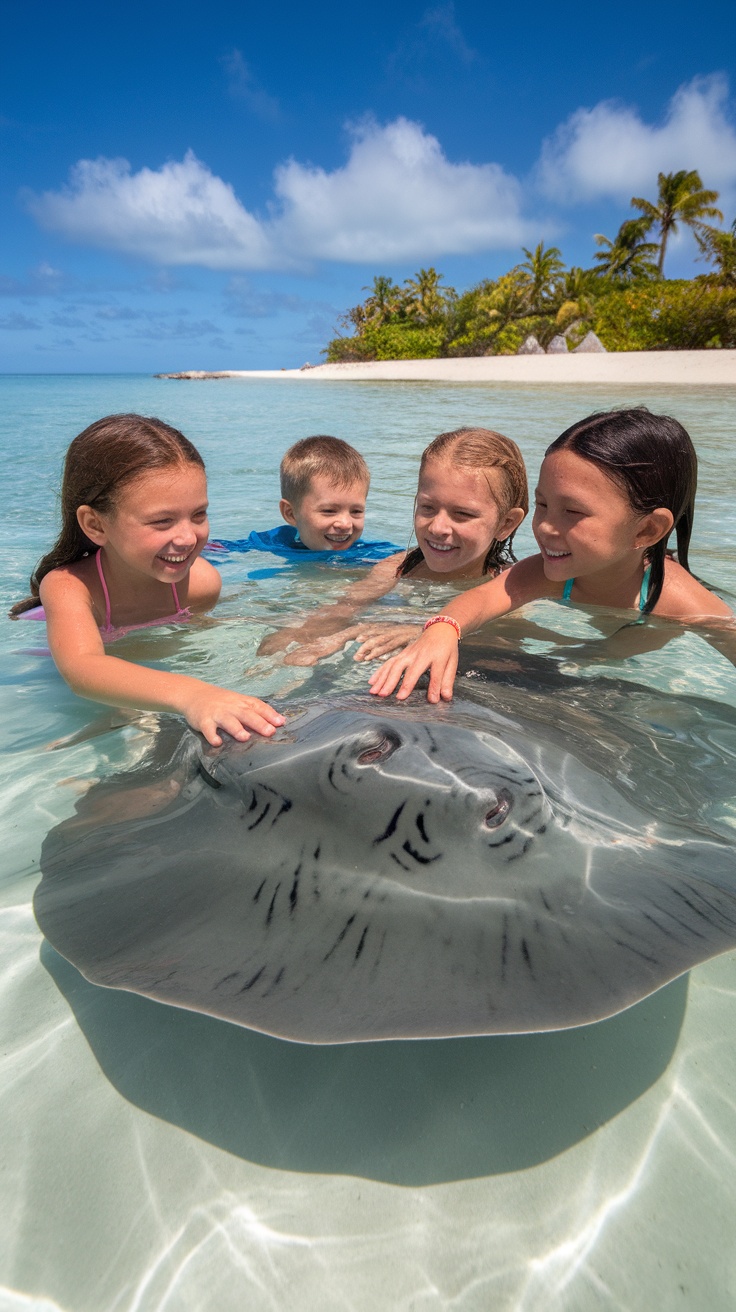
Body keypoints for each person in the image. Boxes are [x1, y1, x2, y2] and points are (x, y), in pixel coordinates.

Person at [368, 407, 733, 703]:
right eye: (542, 504)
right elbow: (481, 599)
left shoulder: (680, 600)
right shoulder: (550, 571)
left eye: (572, 513)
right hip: (588, 657)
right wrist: (442, 628)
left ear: (646, 531)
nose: (544, 527)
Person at [10, 413, 285, 746]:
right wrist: (194, 694)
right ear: (96, 525)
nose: (187, 537)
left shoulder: (201, 585)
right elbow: (83, 669)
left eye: (199, 514)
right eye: (162, 521)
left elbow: (190, 643)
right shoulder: (69, 587)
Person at [258, 426, 528, 663]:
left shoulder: (509, 586)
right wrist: (297, 636)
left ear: (506, 523)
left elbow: (504, 648)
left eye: (463, 514)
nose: (437, 527)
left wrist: (423, 631)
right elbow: (344, 608)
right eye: (427, 507)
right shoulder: (396, 568)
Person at [207, 434, 398, 565]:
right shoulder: (272, 544)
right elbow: (216, 549)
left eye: (356, 511)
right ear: (290, 513)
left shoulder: (370, 553)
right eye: (329, 511)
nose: (345, 523)